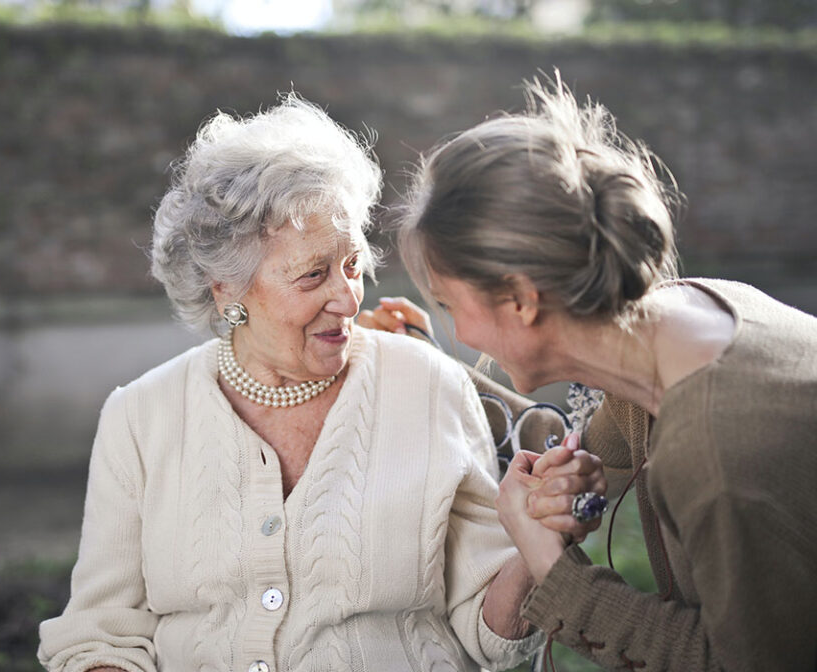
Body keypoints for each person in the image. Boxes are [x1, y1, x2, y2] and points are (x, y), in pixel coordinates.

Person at [37, 94, 605, 672]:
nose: (348, 296)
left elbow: (492, 634)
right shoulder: (140, 416)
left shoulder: (426, 385)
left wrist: (535, 538)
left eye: (353, 265)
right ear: (225, 290)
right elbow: (100, 634)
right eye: (313, 275)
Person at [378, 72, 817, 672]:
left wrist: (557, 573)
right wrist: (412, 357)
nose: (462, 335)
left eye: (451, 307)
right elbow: (581, 456)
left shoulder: (715, 455)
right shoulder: (689, 315)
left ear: (521, 300)